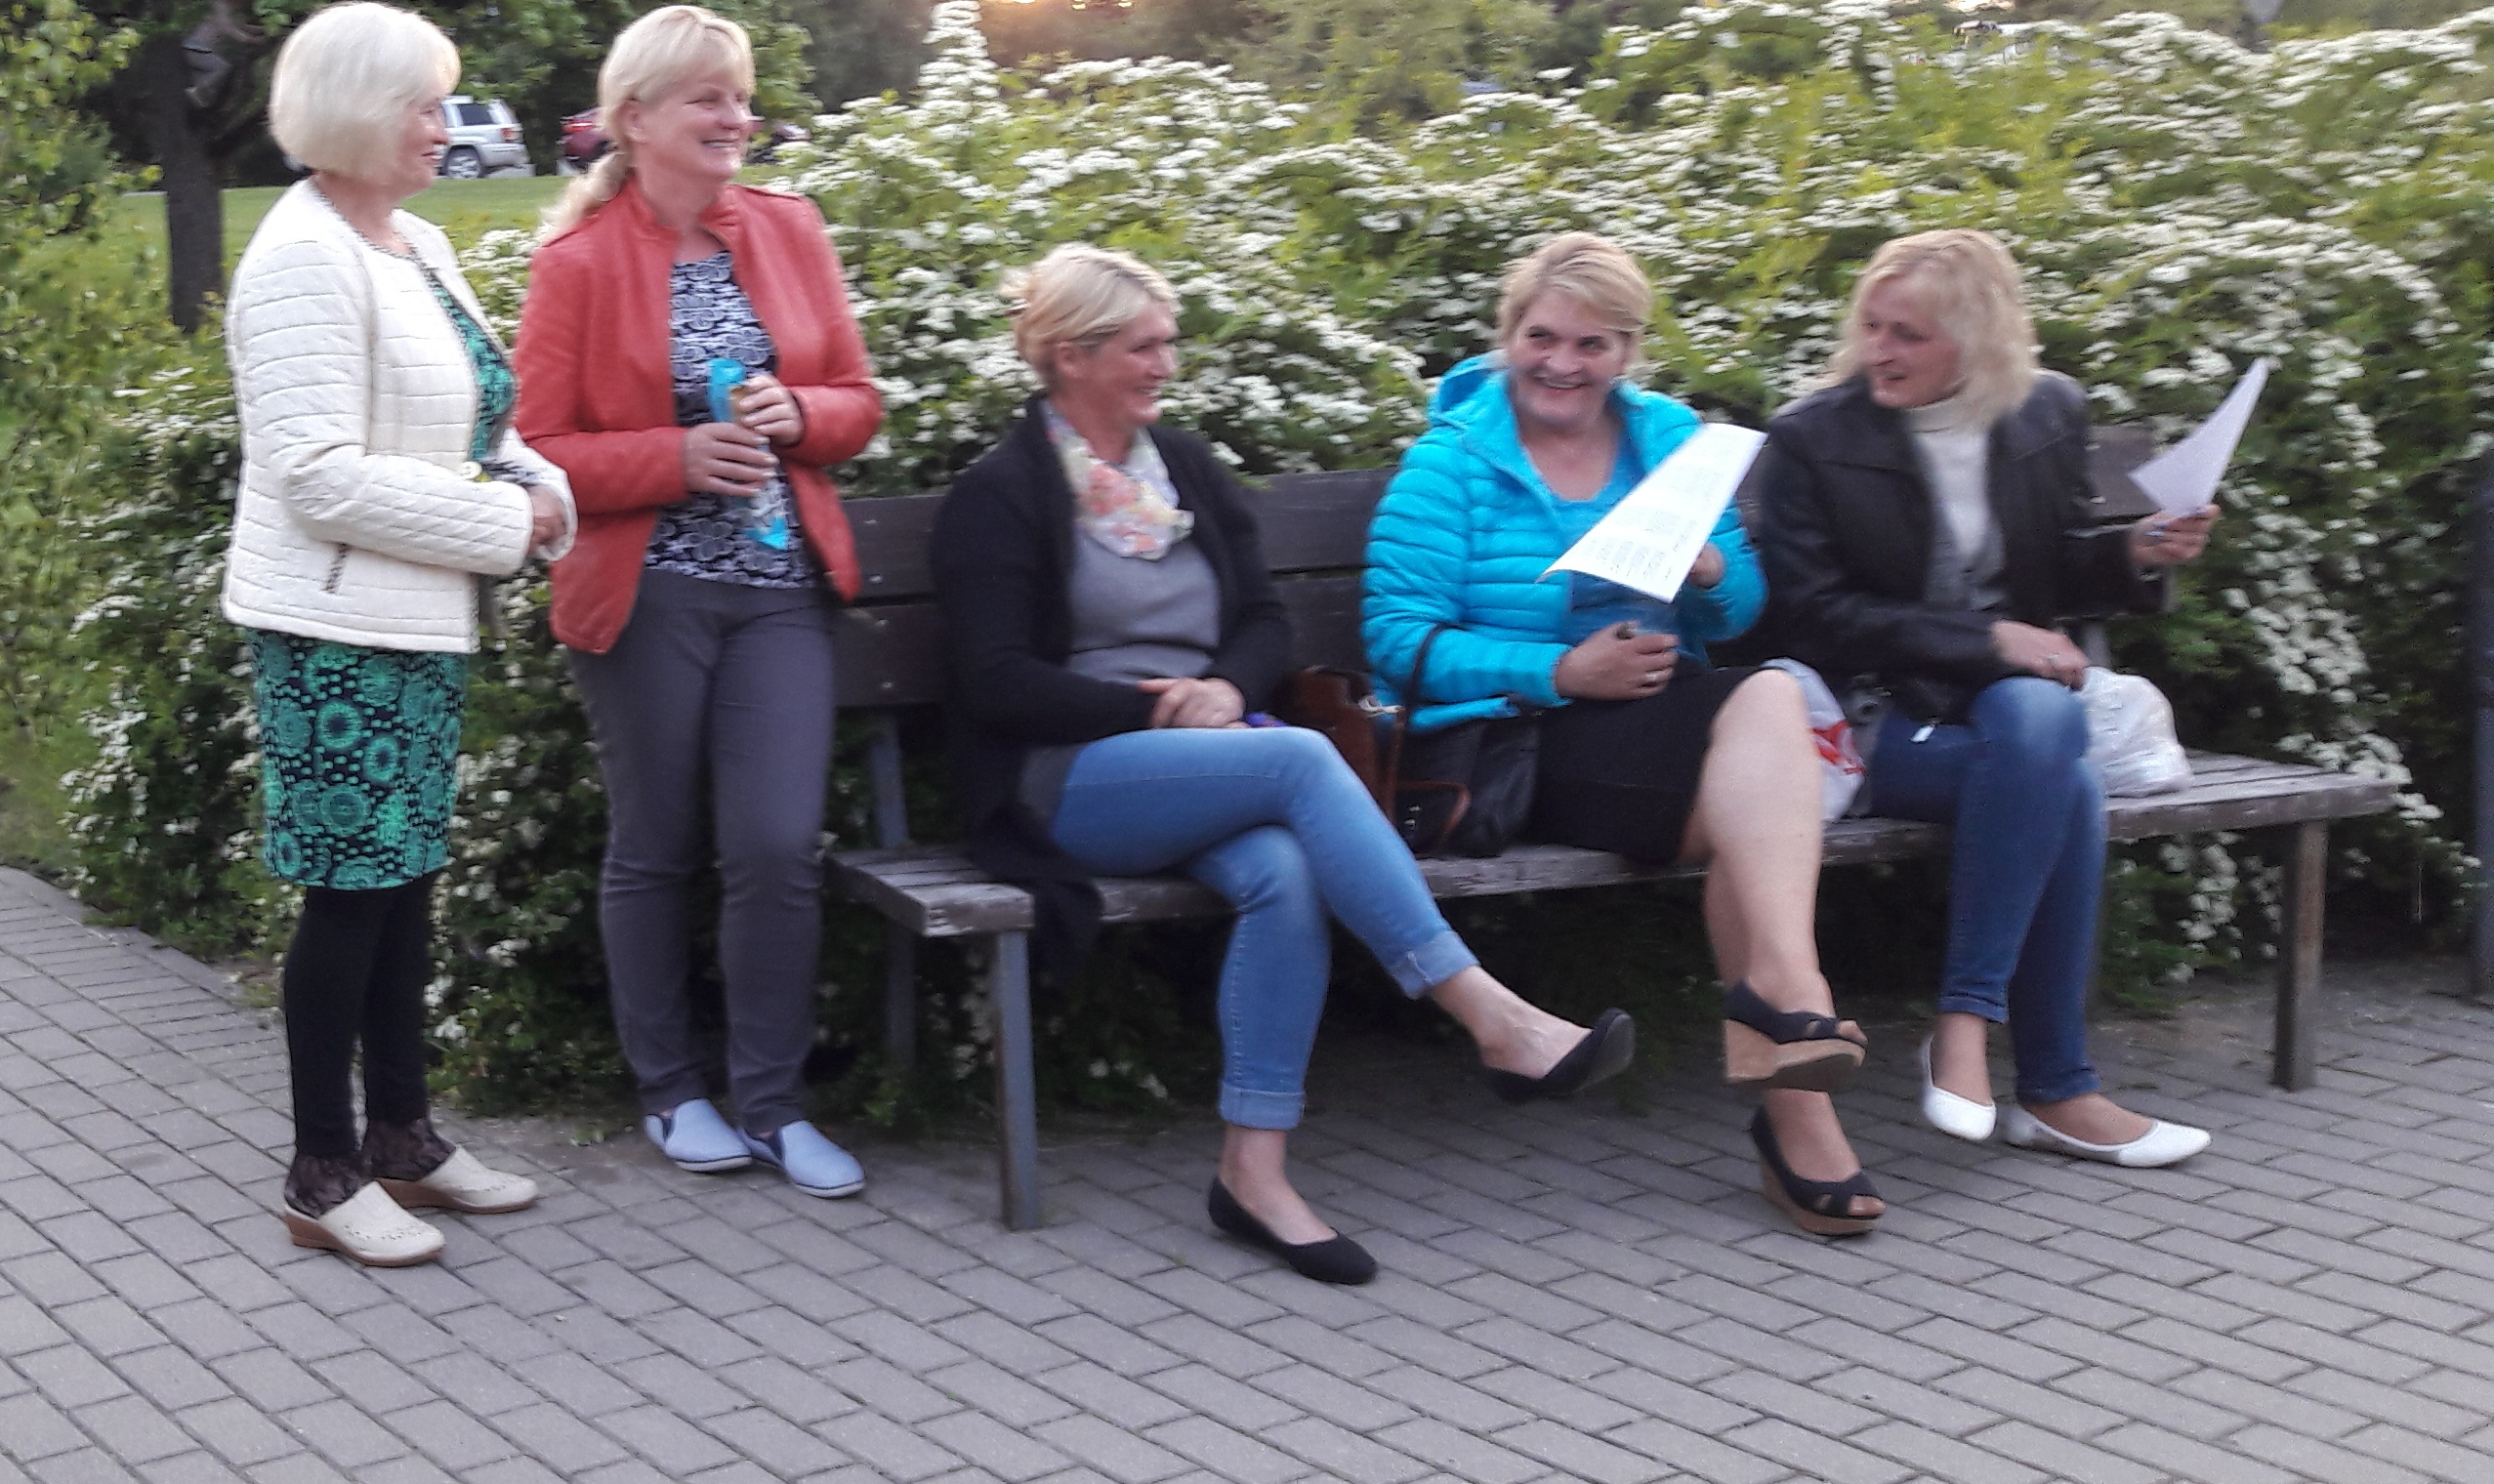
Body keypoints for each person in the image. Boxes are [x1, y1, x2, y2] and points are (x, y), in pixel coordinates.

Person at [942, 247, 1636, 1285]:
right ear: (1071, 356)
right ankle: (1492, 1018)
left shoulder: (1183, 467)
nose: (1167, 365)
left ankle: (1253, 1175)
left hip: (1214, 755)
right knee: (1304, 762)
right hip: (1068, 774)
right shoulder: (999, 495)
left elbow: (1264, 621)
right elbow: (995, 680)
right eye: (1143, 347)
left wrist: (1226, 688)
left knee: (1286, 869)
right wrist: (1155, 705)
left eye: (1168, 343)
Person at [1364, 235, 1883, 1241]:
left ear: (1628, 350)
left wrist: (1708, 573)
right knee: (1755, 781)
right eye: (1541, 338)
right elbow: (1395, 642)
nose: (1562, 364)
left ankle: (1783, 1012)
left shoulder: (1670, 442)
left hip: (1655, 715)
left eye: (1591, 344)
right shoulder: (1450, 463)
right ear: (1508, 337)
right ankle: (1796, 1060)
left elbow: (1740, 611)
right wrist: (1557, 672)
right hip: (1522, 740)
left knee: (1767, 703)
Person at [512, 6, 883, 1197]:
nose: (735, 118)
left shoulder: (790, 228)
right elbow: (534, 449)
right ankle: (672, 1091)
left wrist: (802, 413)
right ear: (634, 120)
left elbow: (857, 401)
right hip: (649, 594)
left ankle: (773, 1106)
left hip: (780, 591)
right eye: (707, 99)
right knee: (657, 846)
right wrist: (675, 458)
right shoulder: (577, 263)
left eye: (741, 96)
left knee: (775, 845)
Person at [1751, 226, 2217, 1167]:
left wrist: (2135, 552)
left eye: (1909, 334)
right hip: (1871, 714)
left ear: (1978, 339)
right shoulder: (1814, 437)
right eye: (1872, 326)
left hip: (2008, 707)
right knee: (2065, 782)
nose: (1879, 350)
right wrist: (1987, 639)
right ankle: (2048, 1084)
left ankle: (1970, 1027)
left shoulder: (2046, 411)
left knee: (2043, 722)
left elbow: (2059, 564)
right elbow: (1813, 616)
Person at [222, 2, 568, 1265]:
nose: (445, 125)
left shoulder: (412, 240)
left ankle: (404, 1140)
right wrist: (507, 522)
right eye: (425, 104)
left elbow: (478, 416)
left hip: (413, 618)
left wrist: (539, 488)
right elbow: (315, 477)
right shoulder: (301, 257)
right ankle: (322, 1172)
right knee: (350, 898)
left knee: (405, 886)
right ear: (360, 113)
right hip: (330, 631)